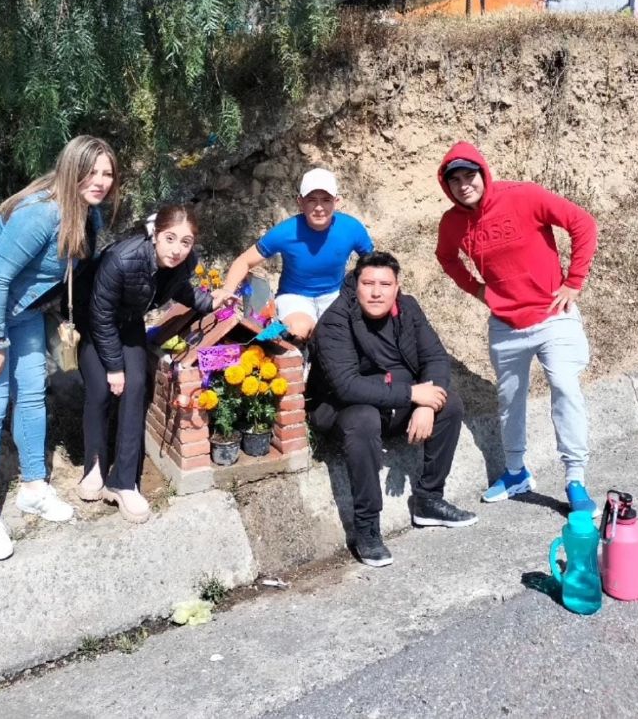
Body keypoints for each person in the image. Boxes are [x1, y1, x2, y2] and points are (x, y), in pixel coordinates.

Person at [0, 135, 119, 561]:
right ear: (70, 169)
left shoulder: (88, 214)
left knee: (31, 399)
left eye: (107, 173)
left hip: (22, 313)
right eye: (91, 171)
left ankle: (34, 488)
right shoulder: (41, 214)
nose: (100, 181)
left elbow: (67, 274)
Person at [435, 141, 599, 514]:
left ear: (483, 172)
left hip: (553, 316)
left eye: (469, 175)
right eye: (455, 180)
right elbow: (446, 257)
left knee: (565, 387)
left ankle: (575, 479)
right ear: (448, 186)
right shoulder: (453, 222)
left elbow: (583, 224)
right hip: (506, 326)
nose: (464, 185)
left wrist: (574, 281)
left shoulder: (523, 195)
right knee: (510, 401)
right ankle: (515, 472)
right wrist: (478, 289)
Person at [308, 251, 477, 567]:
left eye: (385, 284)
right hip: (344, 410)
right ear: (355, 285)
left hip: (397, 402)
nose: (376, 292)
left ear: (397, 286)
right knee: (363, 419)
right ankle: (367, 527)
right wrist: (413, 394)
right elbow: (347, 386)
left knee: (450, 403)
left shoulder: (408, 308)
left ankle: (429, 500)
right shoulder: (335, 320)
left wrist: (427, 404)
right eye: (368, 283)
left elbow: (436, 359)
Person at [79, 204, 228, 522]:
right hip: (96, 324)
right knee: (101, 390)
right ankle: (94, 464)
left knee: (136, 388)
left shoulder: (186, 263)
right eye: (170, 238)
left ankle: (123, 482)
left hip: (130, 323)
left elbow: (181, 289)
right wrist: (114, 367)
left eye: (185, 242)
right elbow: (100, 315)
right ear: (156, 235)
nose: (177, 249)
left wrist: (209, 302)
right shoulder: (123, 258)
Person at [221, 168, 373, 342]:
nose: (319, 208)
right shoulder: (285, 231)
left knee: (339, 333)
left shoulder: (351, 228)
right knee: (299, 329)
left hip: (334, 294)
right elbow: (244, 261)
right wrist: (227, 291)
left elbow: (374, 264)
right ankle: (270, 337)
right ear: (300, 202)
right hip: (294, 297)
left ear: (336, 201)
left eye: (326, 200)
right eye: (311, 200)